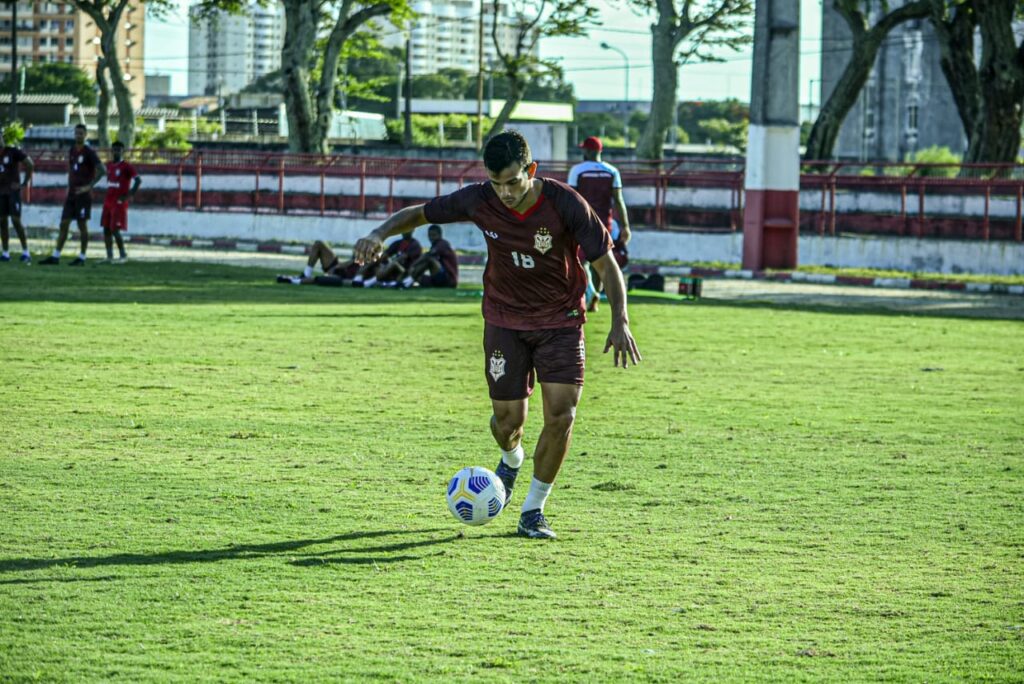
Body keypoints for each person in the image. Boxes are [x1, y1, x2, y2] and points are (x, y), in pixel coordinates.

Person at [354, 130, 640, 539]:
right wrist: (379, 234)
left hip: (560, 322)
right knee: (508, 422)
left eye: (513, 182)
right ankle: (511, 458)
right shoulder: (479, 198)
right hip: (505, 321)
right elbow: (420, 213)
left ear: (531, 170)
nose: (504, 192)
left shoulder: (564, 203)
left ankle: (533, 511)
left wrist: (620, 319)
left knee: (562, 416)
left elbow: (606, 264)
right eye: (496, 183)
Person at [567, 136, 631, 311]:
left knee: (580, 261)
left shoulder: (577, 171)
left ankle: (591, 293)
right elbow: (619, 200)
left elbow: (571, 198)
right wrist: (625, 226)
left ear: (588, 151)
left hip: (582, 221)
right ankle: (595, 301)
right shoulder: (612, 171)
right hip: (605, 223)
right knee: (601, 261)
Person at [39, 124, 105, 266]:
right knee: (64, 224)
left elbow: (102, 170)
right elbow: (72, 168)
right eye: (76, 133)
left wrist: (89, 186)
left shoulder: (89, 152)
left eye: (81, 133)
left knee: (82, 226)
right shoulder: (72, 151)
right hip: (72, 194)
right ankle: (55, 256)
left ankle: (82, 257)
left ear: (85, 135)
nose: (78, 136)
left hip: (83, 195)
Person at [99, 141, 141, 264]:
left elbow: (138, 181)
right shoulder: (109, 165)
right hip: (108, 201)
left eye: (119, 149)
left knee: (114, 229)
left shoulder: (127, 166)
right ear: (111, 151)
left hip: (118, 202)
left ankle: (123, 255)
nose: (116, 151)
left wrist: (128, 196)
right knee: (106, 229)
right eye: (114, 149)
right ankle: (109, 256)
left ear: (123, 151)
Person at [0, 134, 34, 264]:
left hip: (13, 192)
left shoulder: (12, 151)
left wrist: (24, 182)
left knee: (15, 221)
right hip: (1, 193)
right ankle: (5, 253)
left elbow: (30, 163)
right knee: (2, 222)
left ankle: (26, 252)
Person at [276, 239, 362, 285]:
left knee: (319, 279)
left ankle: (293, 281)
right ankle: (306, 274)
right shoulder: (364, 253)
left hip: (343, 277)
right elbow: (352, 262)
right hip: (340, 269)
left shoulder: (370, 258)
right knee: (319, 243)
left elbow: (356, 263)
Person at [353, 231, 422, 288]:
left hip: (405, 270)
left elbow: (402, 258)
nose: (405, 231)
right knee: (375, 259)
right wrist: (378, 261)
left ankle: (367, 283)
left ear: (413, 230)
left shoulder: (415, 244)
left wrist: (386, 265)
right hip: (394, 268)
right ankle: (358, 278)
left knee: (394, 263)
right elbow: (385, 254)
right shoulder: (398, 243)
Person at [399, 224, 458, 289]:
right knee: (419, 276)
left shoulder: (443, 244)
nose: (431, 238)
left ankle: (406, 283)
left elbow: (428, 255)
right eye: (429, 235)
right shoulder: (434, 246)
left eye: (434, 235)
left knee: (429, 260)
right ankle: (403, 282)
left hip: (449, 280)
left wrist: (413, 265)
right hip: (438, 279)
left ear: (440, 235)